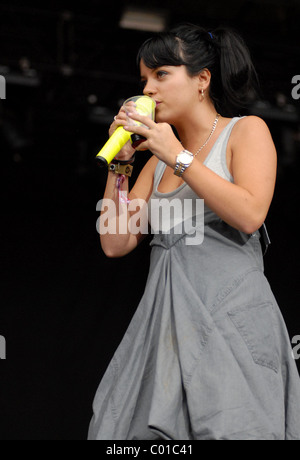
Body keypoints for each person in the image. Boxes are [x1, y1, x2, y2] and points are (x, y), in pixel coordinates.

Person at [88, 23, 300, 440]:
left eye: (161, 74)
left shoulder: (246, 130)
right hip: (164, 326)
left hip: (228, 320)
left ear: (202, 80)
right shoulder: (154, 163)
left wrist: (177, 155)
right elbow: (115, 242)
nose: (148, 90)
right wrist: (121, 164)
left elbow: (250, 214)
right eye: (144, 80)